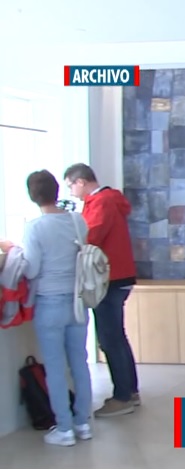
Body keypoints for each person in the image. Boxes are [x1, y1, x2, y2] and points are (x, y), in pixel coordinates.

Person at [0, 170, 93, 446]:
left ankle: (64, 429)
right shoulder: (77, 220)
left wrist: (14, 250)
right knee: (80, 364)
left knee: (55, 367)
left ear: (33, 196)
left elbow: (31, 270)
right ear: (57, 191)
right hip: (77, 302)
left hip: (49, 303)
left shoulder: (35, 227)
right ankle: (83, 423)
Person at [63, 163, 140, 417]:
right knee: (117, 336)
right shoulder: (108, 200)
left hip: (109, 278)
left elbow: (90, 236)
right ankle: (130, 391)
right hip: (118, 275)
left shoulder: (102, 202)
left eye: (71, 186)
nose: (71, 192)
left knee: (109, 339)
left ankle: (122, 397)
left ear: (81, 182)